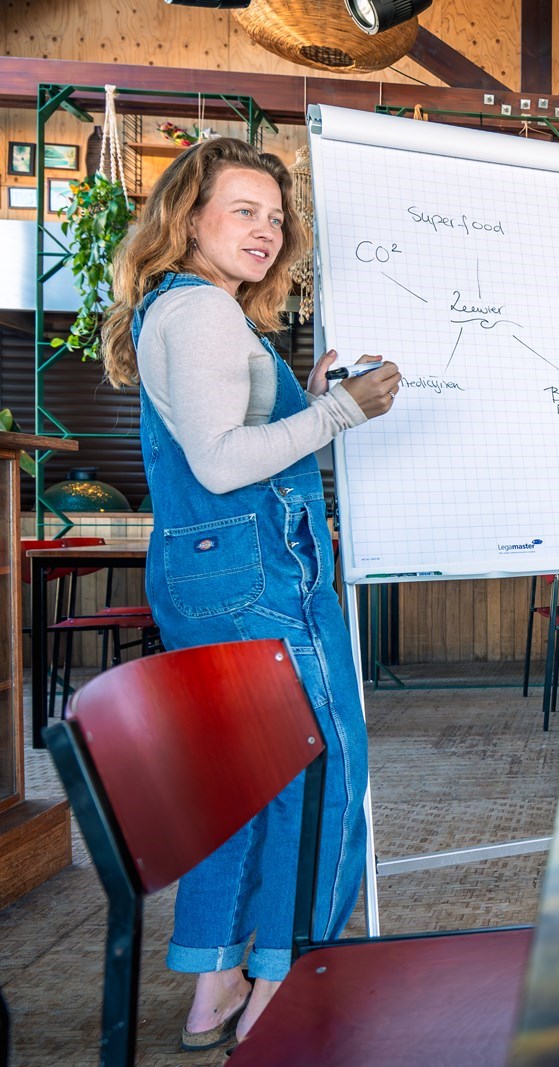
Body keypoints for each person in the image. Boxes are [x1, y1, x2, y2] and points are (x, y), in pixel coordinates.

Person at [100, 137, 403, 1048]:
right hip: (259, 574)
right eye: (244, 210)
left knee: (243, 781)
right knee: (321, 776)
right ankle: (282, 982)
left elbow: (231, 437)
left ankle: (216, 981)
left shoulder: (189, 310)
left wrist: (302, 401)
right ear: (188, 218)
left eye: (275, 217)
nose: (266, 230)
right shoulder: (199, 316)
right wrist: (344, 410)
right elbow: (223, 462)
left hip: (213, 573)